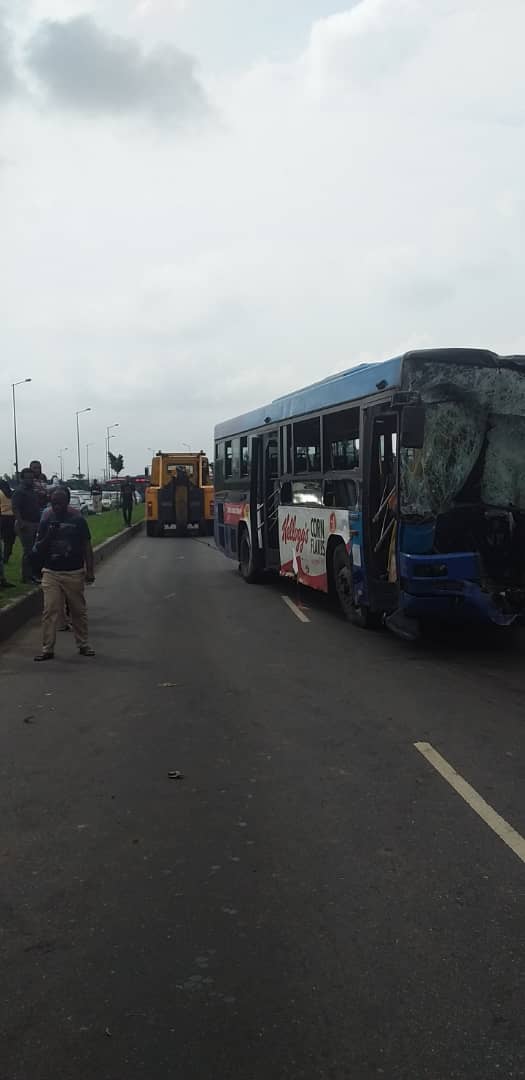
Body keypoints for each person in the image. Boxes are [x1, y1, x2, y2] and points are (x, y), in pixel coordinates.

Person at [33, 487, 95, 662]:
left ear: (67, 502)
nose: (56, 506)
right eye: (53, 502)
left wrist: (90, 570)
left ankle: (83, 644)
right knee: (50, 610)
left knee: (78, 610)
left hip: (73, 572)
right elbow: (38, 548)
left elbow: (86, 546)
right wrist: (49, 534)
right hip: (51, 572)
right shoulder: (46, 520)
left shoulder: (78, 521)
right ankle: (47, 649)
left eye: (60, 502)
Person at [12, 468, 41, 583]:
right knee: (28, 551)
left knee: (34, 550)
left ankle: (32, 574)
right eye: (27, 478)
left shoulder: (32, 491)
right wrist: (21, 522)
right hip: (25, 524)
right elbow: (15, 508)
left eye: (31, 478)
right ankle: (26, 577)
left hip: (34, 523)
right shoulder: (19, 491)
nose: (30, 480)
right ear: (22, 479)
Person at [0, 479, 16, 566]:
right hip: (12, 518)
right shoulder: (12, 493)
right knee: (9, 540)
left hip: (2, 517)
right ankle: (6, 556)